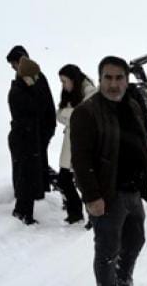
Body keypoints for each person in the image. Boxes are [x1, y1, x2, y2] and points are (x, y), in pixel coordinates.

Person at [71, 56, 147, 286]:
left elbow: (143, 145)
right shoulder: (86, 112)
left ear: (127, 80)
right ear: (100, 80)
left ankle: (123, 279)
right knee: (107, 251)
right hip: (107, 195)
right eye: (108, 78)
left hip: (133, 191)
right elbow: (80, 161)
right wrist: (92, 197)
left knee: (135, 241)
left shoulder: (132, 106)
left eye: (119, 78)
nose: (113, 84)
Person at [6, 54, 54, 225]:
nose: (35, 80)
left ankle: (25, 211)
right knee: (25, 177)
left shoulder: (25, 89)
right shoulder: (18, 92)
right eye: (33, 77)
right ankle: (22, 212)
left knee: (30, 177)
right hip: (22, 140)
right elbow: (36, 109)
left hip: (30, 139)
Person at [56, 64, 96, 224]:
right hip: (70, 141)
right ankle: (75, 213)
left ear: (73, 79)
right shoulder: (70, 93)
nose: (63, 85)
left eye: (64, 81)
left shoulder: (90, 91)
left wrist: (70, 115)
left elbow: (84, 116)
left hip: (85, 144)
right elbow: (60, 115)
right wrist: (71, 115)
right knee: (64, 179)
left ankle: (93, 216)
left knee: (84, 182)